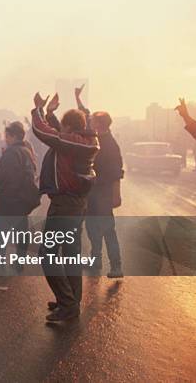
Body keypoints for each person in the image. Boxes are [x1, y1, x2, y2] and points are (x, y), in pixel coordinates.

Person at [31, 90, 99, 322]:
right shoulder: (83, 141)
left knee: (47, 253)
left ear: (71, 128)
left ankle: (68, 303)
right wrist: (51, 114)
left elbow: (45, 133)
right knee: (70, 254)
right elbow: (58, 135)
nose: (62, 131)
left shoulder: (73, 142)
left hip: (65, 205)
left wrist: (39, 110)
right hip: (76, 204)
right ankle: (70, 300)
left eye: (64, 127)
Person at [0, 121, 39, 269]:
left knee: (0, 232)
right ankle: (19, 262)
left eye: (7, 135)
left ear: (13, 136)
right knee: (21, 231)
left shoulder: (12, 152)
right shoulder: (26, 151)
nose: (6, 138)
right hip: (23, 198)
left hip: (9, 197)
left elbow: (6, 173)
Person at [86, 111, 124, 278]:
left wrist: (116, 195)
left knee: (108, 230)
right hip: (92, 192)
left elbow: (116, 173)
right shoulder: (96, 140)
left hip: (104, 193)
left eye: (92, 121)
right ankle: (95, 259)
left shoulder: (110, 145)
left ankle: (116, 266)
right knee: (92, 227)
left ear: (99, 124)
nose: (89, 123)